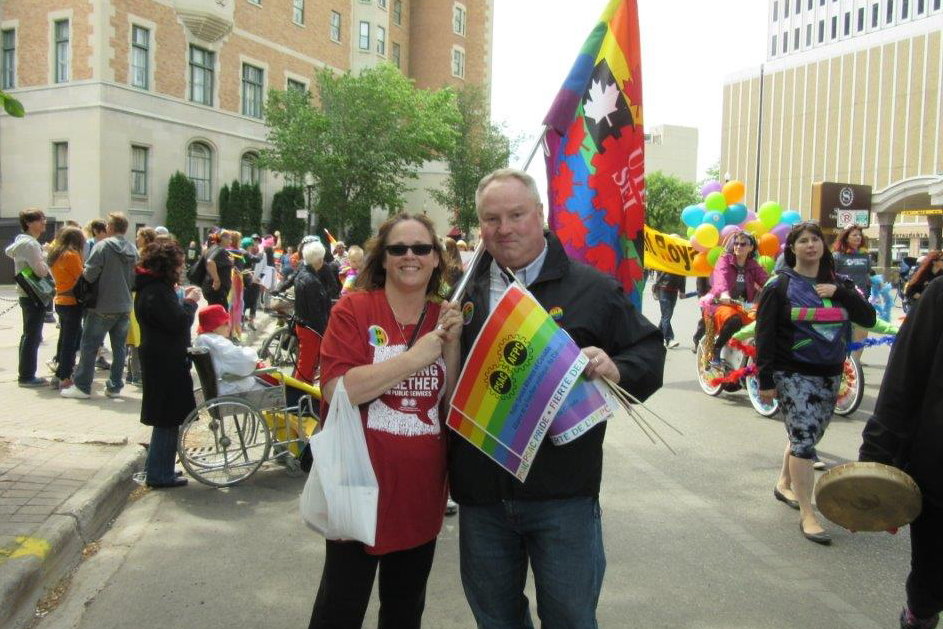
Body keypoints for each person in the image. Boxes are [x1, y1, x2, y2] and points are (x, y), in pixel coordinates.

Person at [451, 169, 665, 628]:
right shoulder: (459, 293)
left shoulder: (592, 288)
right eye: (491, 219)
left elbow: (648, 351)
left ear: (541, 214)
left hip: (563, 495)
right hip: (481, 495)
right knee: (496, 620)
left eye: (516, 215)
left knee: (570, 618)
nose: (504, 229)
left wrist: (616, 367)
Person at [309, 212, 462, 629]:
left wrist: (452, 347)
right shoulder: (354, 308)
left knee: (404, 613)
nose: (410, 256)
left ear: (436, 258)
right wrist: (413, 359)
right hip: (357, 488)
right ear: (383, 257)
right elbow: (337, 389)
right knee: (339, 611)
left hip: (420, 494)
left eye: (421, 248)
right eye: (398, 248)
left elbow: (452, 411)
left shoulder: (444, 317)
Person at [756, 222, 876, 544]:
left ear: (823, 246)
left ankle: (784, 483)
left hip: (831, 373)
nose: (810, 245)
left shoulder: (841, 283)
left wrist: (841, 294)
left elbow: (868, 318)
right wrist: (765, 379)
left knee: (807, 433)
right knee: (804, 440)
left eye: (815, 240)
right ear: (792, 249)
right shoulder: (779, 286)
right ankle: (808, 514)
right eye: (803, 241)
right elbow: (764, 335)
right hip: (792, 373)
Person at [859, 275, 943, 629]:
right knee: (928, 589)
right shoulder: (940, 295)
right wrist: (875, 468)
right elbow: (903, 382)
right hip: (938, 477)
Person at [135, 240, 200, 488]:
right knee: (167, 419)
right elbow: (178, 322)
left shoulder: (154, 287)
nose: (181, 269)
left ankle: (160, 468)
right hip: (164, 360)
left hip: (162, 357)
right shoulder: (156, 291)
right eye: (179, 265)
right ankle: (159, 474)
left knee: (168, 418)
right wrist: (190, 302)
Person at [62, 212, 139, 399]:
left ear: (110, 227)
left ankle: (82, 387)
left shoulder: (102, 246)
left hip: (102, 305)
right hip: (124, 305)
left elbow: (89, 275)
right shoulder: (132, 248)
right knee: (119, 348)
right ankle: (114, 387)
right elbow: (135, 277)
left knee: (89, 346)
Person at [705, 231, 768, 367]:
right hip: (721, 304)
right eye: (736, 243)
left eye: (743, 244)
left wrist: (777, 287)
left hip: (743, 306)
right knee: (735, 320)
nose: (738, 246)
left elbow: (766, 281)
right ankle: (716, 348)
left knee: (764, 320)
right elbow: (721, 277)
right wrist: (724, 293)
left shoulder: (753, 265)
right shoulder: (724, 260)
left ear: (751, 247)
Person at [5, 209, 50, 387]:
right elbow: (40, 271)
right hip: (34, 294)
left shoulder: (21, 241)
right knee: (33, 336)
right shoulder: (30, 244)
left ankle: (26, 374)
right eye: (40, 220)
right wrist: (46, 256)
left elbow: (9, 251)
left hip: (26, 293)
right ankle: (27, 376)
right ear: (29, 223)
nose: (44, 222)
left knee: (29, 334)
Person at [193, 305, 264, 395]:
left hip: (220, 388)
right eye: (225, 323)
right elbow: (245, 362)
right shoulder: (217, 343)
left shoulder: (201, 340)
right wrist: (253, 355)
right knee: (278, 389)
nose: (229, 325)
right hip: (233, 390)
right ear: (214, 326)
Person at [47, 226, 86, 390]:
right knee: (71, 341)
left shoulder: (55, 254)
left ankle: (58, 374)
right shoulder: (71, 255)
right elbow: (82, 276)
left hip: (60, 299)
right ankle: (65, 376)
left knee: (64, 338)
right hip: (72, 301)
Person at [833, 225, 873, 360]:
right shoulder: (837, 256)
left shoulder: (865, 256)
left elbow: (867, 276)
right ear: (846, 238)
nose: (858, 237)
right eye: (854, 235)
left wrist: (876, 285)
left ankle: (855, 361)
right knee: (844, 330)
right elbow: (831, 276)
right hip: (844, 297)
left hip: (861, 297)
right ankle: (843, 358)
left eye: (859, 235)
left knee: (862, 328)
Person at [652, 270, 685, 349]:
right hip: (663, 289)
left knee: (666, 316)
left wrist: (682, 290)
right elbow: (659, 269)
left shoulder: (680, 264)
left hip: (674, 290)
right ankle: (669, 339)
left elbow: (683, 275)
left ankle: (656, 337)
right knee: (667, 315)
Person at [203, 231, 234, 309]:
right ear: (223, 239)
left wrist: (230, 262)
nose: (231, 241)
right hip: (217, 290)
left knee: (213, 312)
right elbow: (210, 262)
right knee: (221, 314)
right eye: (229, 239)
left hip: (211, 288)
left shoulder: (213, 248)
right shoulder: (220, 250)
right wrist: (216, 281)